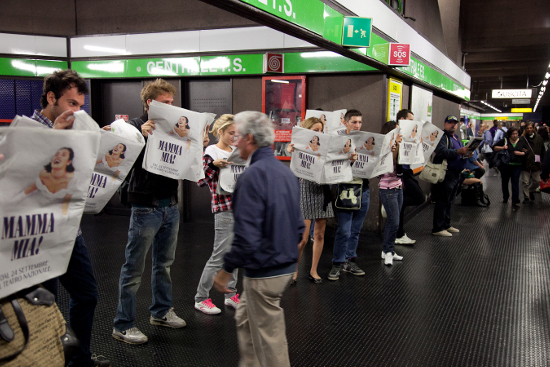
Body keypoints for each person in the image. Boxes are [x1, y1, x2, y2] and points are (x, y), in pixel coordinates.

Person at [31, 69, 110, 366]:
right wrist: (56, 138)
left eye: (80, 105)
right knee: (43, 306)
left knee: (87, 294)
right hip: (38, 236)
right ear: (52, 98)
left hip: (69, 231)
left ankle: (79, 361)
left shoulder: (76, 132)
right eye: (71, 103)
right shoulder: (25, 129)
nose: (77, 111)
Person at [213, 111, 303, 367]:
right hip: (283, 267)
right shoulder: (285, 172)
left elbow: (246, 236)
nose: (235, 142)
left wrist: (225, 270)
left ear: (250, 138)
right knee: (244, 317)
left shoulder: (251, 176)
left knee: (269, 337)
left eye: (239, 137)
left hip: (264, 273)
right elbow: (299, 228)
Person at [112, 78, 186, 345]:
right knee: (133, 269)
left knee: (164, 266)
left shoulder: (175, 128)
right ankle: (123, 324)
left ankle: (161, 312)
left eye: (171, 102)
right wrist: (139, 137)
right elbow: (118, 156)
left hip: (170, 206)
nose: (170, 106)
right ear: (149, 103)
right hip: (145, 206)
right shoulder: (132, 127)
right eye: (165, 103)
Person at [194, 114, 240, 315]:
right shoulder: (210, 152)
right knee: (219, 255)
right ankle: (201, 298)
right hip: (224, 208)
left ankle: (231, 295)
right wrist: (214, 166)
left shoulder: (238, 151)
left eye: (237, 134)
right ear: (220, 132)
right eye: (231, 133)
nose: (234, 137)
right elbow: (200, 180)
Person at [286, 117, 334, 284]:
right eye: (315, 130)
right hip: (305, 189)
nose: (319, 134)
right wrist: (289, 149)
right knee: (303, 238)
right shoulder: (300, 145)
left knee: (319, 234)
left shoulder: (326, 146)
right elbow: (290, 152)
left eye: (321, 130)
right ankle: (293, 269)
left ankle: (313, 270)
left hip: (323, 190)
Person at [328, 109, 368, 281]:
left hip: (363, 187)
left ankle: (349, 260)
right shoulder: (337, 141)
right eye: (354, 122)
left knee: (356, 230)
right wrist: (347, 160)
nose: (357, 125)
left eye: (360, 122)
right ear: (345, 122)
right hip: (345, 188)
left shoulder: (367, 140)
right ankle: (337, 263)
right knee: (344, 230)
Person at [431, 115, 472, 237]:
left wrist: (466, 154)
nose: (453, 125)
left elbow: (458, 154)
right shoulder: (442, 137)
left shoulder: (456, 137)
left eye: (455, 123)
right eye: (450, 123)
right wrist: (459, 152)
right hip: (446, 173)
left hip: (455, 174)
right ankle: (438, 227)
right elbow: (441, 151)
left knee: (449, 201)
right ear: (445, 124)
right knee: (443, 200)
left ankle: (446, 224)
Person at [395, 109, 424, 245]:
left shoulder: (411, 134)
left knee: (405, 203)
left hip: (408, 170)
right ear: (403, 119)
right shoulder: (396, 133)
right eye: (410, 120)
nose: (413, 123)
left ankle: (399, 232)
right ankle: (398, 233)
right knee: (419, 197)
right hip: (400, 172)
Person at [379, 121, 405, 266]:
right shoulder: (385, 147)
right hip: (387, 188)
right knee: (393, 222)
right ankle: (388, 251)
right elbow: (391, 161)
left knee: (394, 221)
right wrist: (396, 145)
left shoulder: (398, 145)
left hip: (398, 186)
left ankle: (388, 250)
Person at [23, 147, 75, 215]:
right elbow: (29, 190)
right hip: (35, 206)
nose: (58, 156)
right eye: (57, 154)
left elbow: (65, 205)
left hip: (56, 211)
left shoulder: (72, 180)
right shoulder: (43, 174)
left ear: (69, 162)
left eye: (63, 155)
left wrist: (64, 218)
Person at [493, 127, 524, 208]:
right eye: (513, 134)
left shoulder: (521, 141)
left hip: (517, 165)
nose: (515, 135)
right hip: (505, 165)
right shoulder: (505, 140)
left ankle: (515, 199)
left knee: (515, 182)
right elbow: (494, 147)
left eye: (516, 134)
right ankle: (505, 197)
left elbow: (526, 151)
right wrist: (502, 147)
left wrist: (521, 153)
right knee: (505, 182)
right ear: (509, 134)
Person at [517, 121, 545, 203]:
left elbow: (543, 150)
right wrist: (521, 150)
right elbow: (518, 149)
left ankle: (530, 191)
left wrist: (542, 161)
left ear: (533, 128)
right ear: (525, 129)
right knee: (525, 181)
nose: (529, 129)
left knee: (537, 181)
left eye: (530, 128)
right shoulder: (522, 139)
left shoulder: (539, 138)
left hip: (536, 163)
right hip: (525, 162)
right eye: (527, 128)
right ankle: (526, 197)